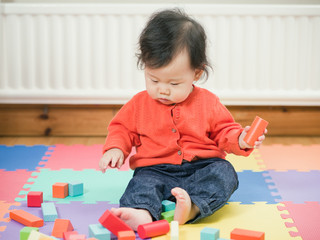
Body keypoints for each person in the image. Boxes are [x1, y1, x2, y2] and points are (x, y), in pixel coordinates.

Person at [99, 9, 266, 231]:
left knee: (225, 173)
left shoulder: (208, 102)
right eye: (154, 80)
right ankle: (142, 213)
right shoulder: (138, 104)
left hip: (202, 167)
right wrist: (115, 148)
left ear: (196, 74)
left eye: (174, 84)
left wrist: (241, 139)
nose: (162, 90)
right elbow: (122, 128)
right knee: (141, 184)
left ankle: (193, 207)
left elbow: (224, 131)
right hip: (155, 169)